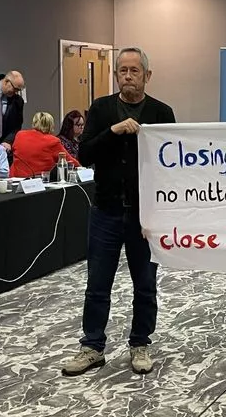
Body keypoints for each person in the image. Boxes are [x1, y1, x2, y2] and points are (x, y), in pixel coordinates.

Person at [61, 47, 176, 376]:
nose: (127, 76)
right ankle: (92, 346)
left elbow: (170, 165)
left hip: (145, 215)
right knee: (97, 282)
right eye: (122, 71)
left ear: (147, 76)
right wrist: (113, 131)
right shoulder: (101, 109)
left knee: (145, 283)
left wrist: (161, 214)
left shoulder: (161, 112)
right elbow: (84, 155)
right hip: (106, 210)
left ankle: (140, 343)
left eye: (134, 71)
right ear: (116, 75)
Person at [10, 112, 80, 178]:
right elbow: (69, 161)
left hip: (15, 179)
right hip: (38, 182)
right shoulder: (52, 141)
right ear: (51, 125)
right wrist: (82, 169)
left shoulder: (20, 135)